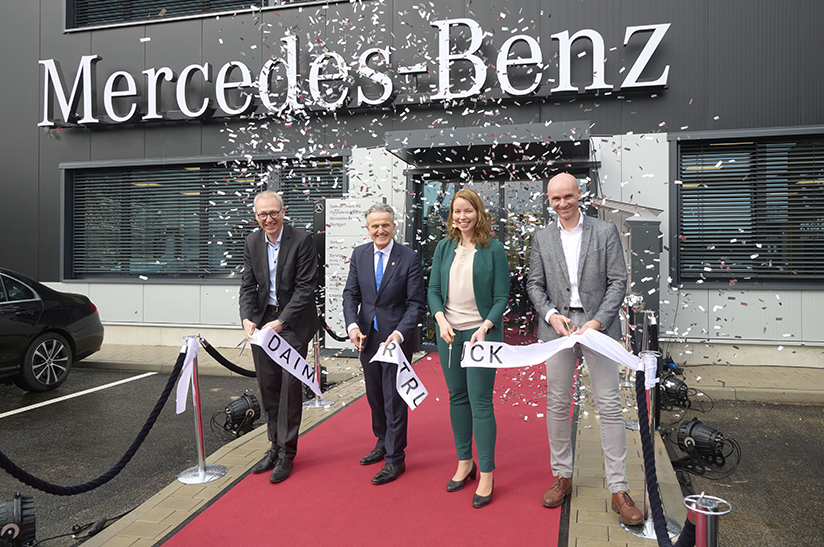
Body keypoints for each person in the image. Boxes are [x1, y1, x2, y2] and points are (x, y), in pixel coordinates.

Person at [526, 173, 643, 525]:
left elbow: (618, 282)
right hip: (557, 329)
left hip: (598, 327)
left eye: (568, 196)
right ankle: (562, 476)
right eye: (555, 199)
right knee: (559, 404)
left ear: (580, 194)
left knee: (608, 404)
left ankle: (619, 488)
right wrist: (550, 314)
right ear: (548, 200)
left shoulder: (604, 232)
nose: (562, 204)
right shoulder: (542, 237)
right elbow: (534, 283)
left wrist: (596, 323)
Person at [427, 188, 509, 509]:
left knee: (481, 402)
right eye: (457, 211)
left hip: (481, 337)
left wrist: (485, 327)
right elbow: (433, 290)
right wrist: (440, 320)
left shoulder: (494, 250)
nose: (462, 217)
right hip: (449, 335)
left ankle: (486, 472)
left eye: (468, 211)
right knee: (456, 397)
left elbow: (502, 297)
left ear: (479, 213)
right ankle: (465, 462)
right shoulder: (444, 248)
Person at [342, 203, 426, 485]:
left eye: (386, 225)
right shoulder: (360, 254)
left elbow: (416, 304)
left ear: (393, 226)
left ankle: (395, 458)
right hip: (367, 337)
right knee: (374, 394)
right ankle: (382, 440)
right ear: (368, 229)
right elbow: (350, 295)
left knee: (394, 397)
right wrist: (352, 325)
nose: (381, 230)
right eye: (375, 225)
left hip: (396, 339)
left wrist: (400, 334)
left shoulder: (409, 257)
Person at [239, 190, 318, 484]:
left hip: (293, 325)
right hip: (261, 325)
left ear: (283, 212)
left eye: (274, 213)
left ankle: (287, 454)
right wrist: (247, 318)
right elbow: (247, 285)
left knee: (289, 388)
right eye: (263, 214)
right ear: (256, 217)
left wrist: (281, 322)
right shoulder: (251, 242)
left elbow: (305, 288)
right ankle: (273, 445)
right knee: (268, 386)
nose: (269, 219)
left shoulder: (302, 240)